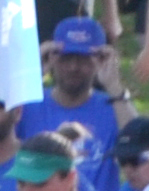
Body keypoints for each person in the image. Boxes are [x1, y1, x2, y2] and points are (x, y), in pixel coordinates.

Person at [20, 17, 122, 158]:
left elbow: (143, 143)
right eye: (66, 58)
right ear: (51, 58)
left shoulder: (114, 106)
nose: (74, 67)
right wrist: (32, 75)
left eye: (83, 59)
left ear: (101, 61)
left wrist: (114, 86)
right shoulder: (28, 105)